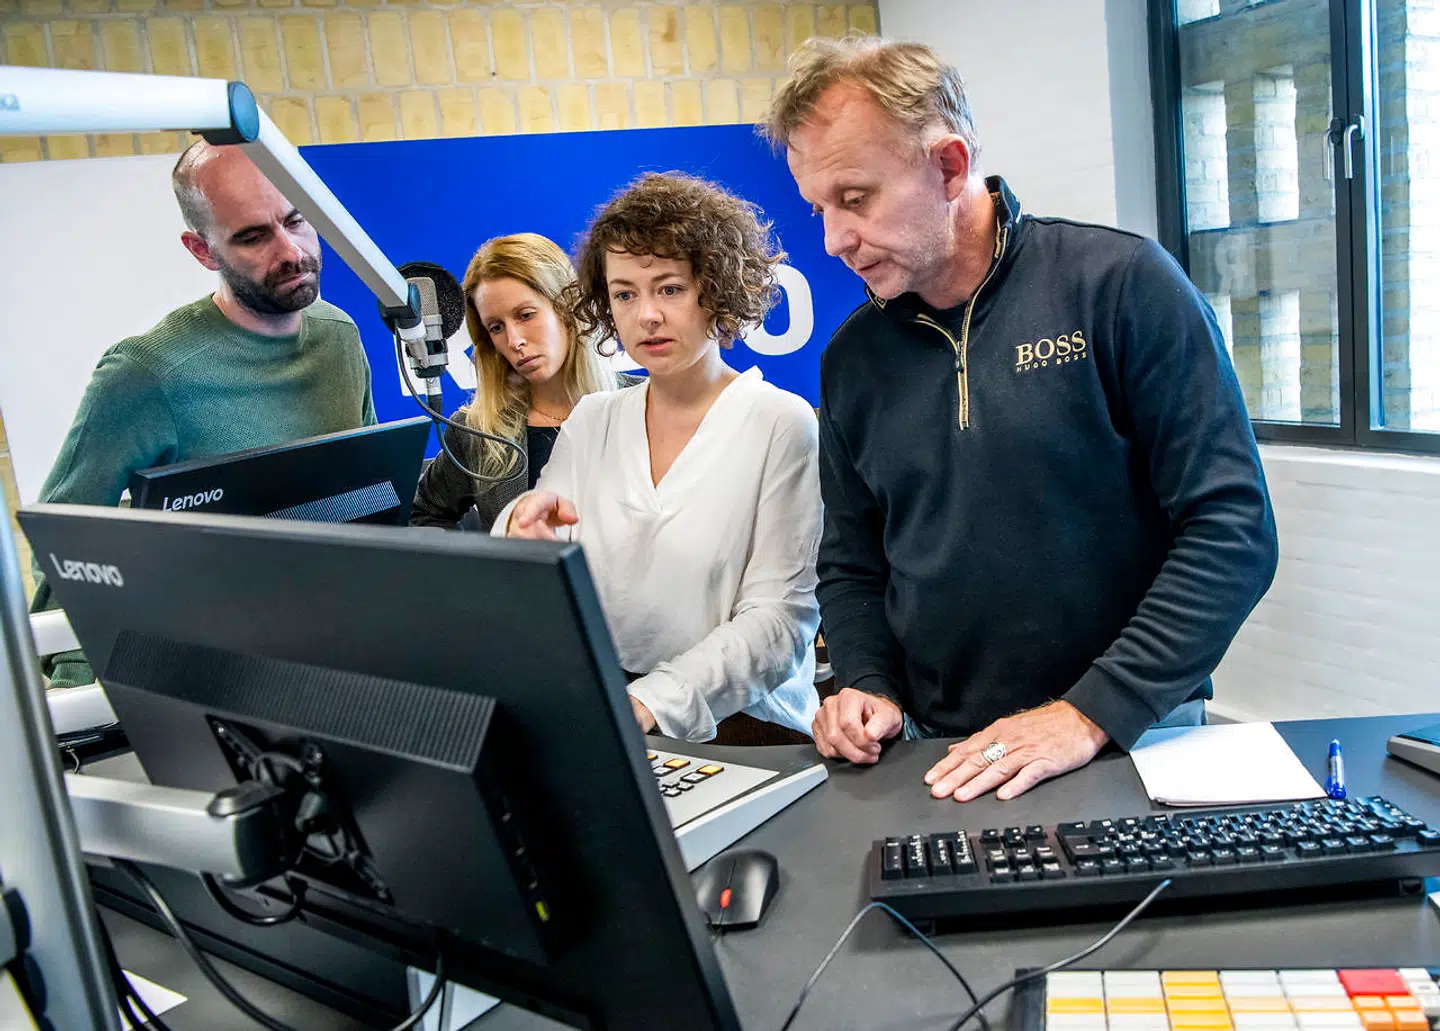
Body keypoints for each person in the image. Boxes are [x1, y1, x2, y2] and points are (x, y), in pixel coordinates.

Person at [764, 37, 1279, 800]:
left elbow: (1233, 528)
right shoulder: (852, 359)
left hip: (1133, 735)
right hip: (945, 751)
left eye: (855, 198)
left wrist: (1091, 711)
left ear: (949, 166)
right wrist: (867, 680)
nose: (833, 239)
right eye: (819, 208)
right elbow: (853, 562)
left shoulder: (1120, 288)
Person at [32, 140, 377, 688]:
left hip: (329, 649)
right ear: (202, 250)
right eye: (253, 237)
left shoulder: (339, 336)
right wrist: (85, 702)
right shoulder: (147, 372)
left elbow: (371, 495)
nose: (290, 251)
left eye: (295, 220)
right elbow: (61, 540)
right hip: (202, 670)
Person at [498, 172, 822, 744]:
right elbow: (535, 539)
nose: (645, 314)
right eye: (625, 294)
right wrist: (515, 527)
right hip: (613, 706)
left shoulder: (779, 422)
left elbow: (779, 622)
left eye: (669, 289)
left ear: (717, 290)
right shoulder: (593, 420)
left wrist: (651, 702)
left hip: (746, 725)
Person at [410, 233, 635, 530]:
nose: (514, 340)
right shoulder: (478, 431)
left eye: (526, 315)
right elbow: (425, 516)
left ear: (566, 307)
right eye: (496, 327)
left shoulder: (647, 405)